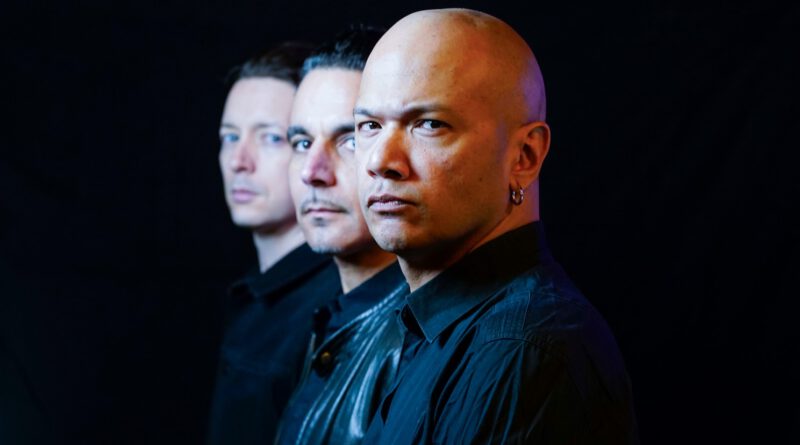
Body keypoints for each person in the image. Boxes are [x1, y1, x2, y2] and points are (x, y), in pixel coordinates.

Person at [354, 9, 639, 444]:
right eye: (370, 126)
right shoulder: (435, 327)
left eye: (429, 124)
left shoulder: (521, 351)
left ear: (524, 157)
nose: (380, 161)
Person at [274, 27, 406, 445]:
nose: (312, 172)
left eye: (349, 139)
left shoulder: (422, 339)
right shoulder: (324, 317)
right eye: (301, 142)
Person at [208, 42, 341, 445]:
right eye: (230, 137)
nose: (239, 161)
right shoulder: (256, 296)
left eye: (269, 138)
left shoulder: (333, 307)